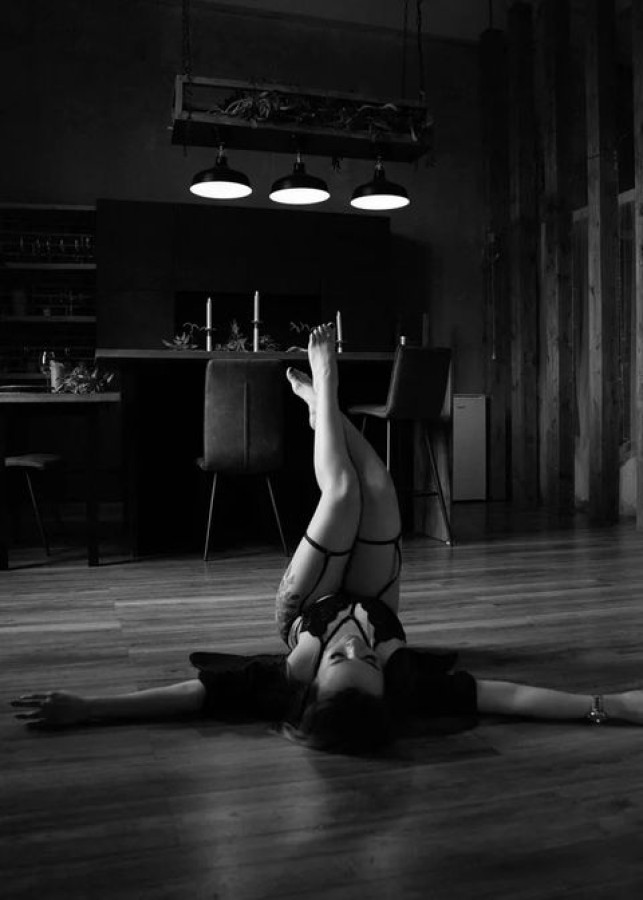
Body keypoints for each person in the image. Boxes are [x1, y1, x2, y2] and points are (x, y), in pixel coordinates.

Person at [11, 325, 643, 753]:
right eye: (369, 662)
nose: (357, 650)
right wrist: (610, 705)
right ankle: (324, 409)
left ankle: (326, 390)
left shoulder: (281, 682)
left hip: (307, 603)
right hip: (374, 596)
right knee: (380, 488)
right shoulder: (406, 688)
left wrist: (88, 707)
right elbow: (512, 697)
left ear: (311, 683)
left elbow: (186, 699)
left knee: (341, 494)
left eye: (341, 661)